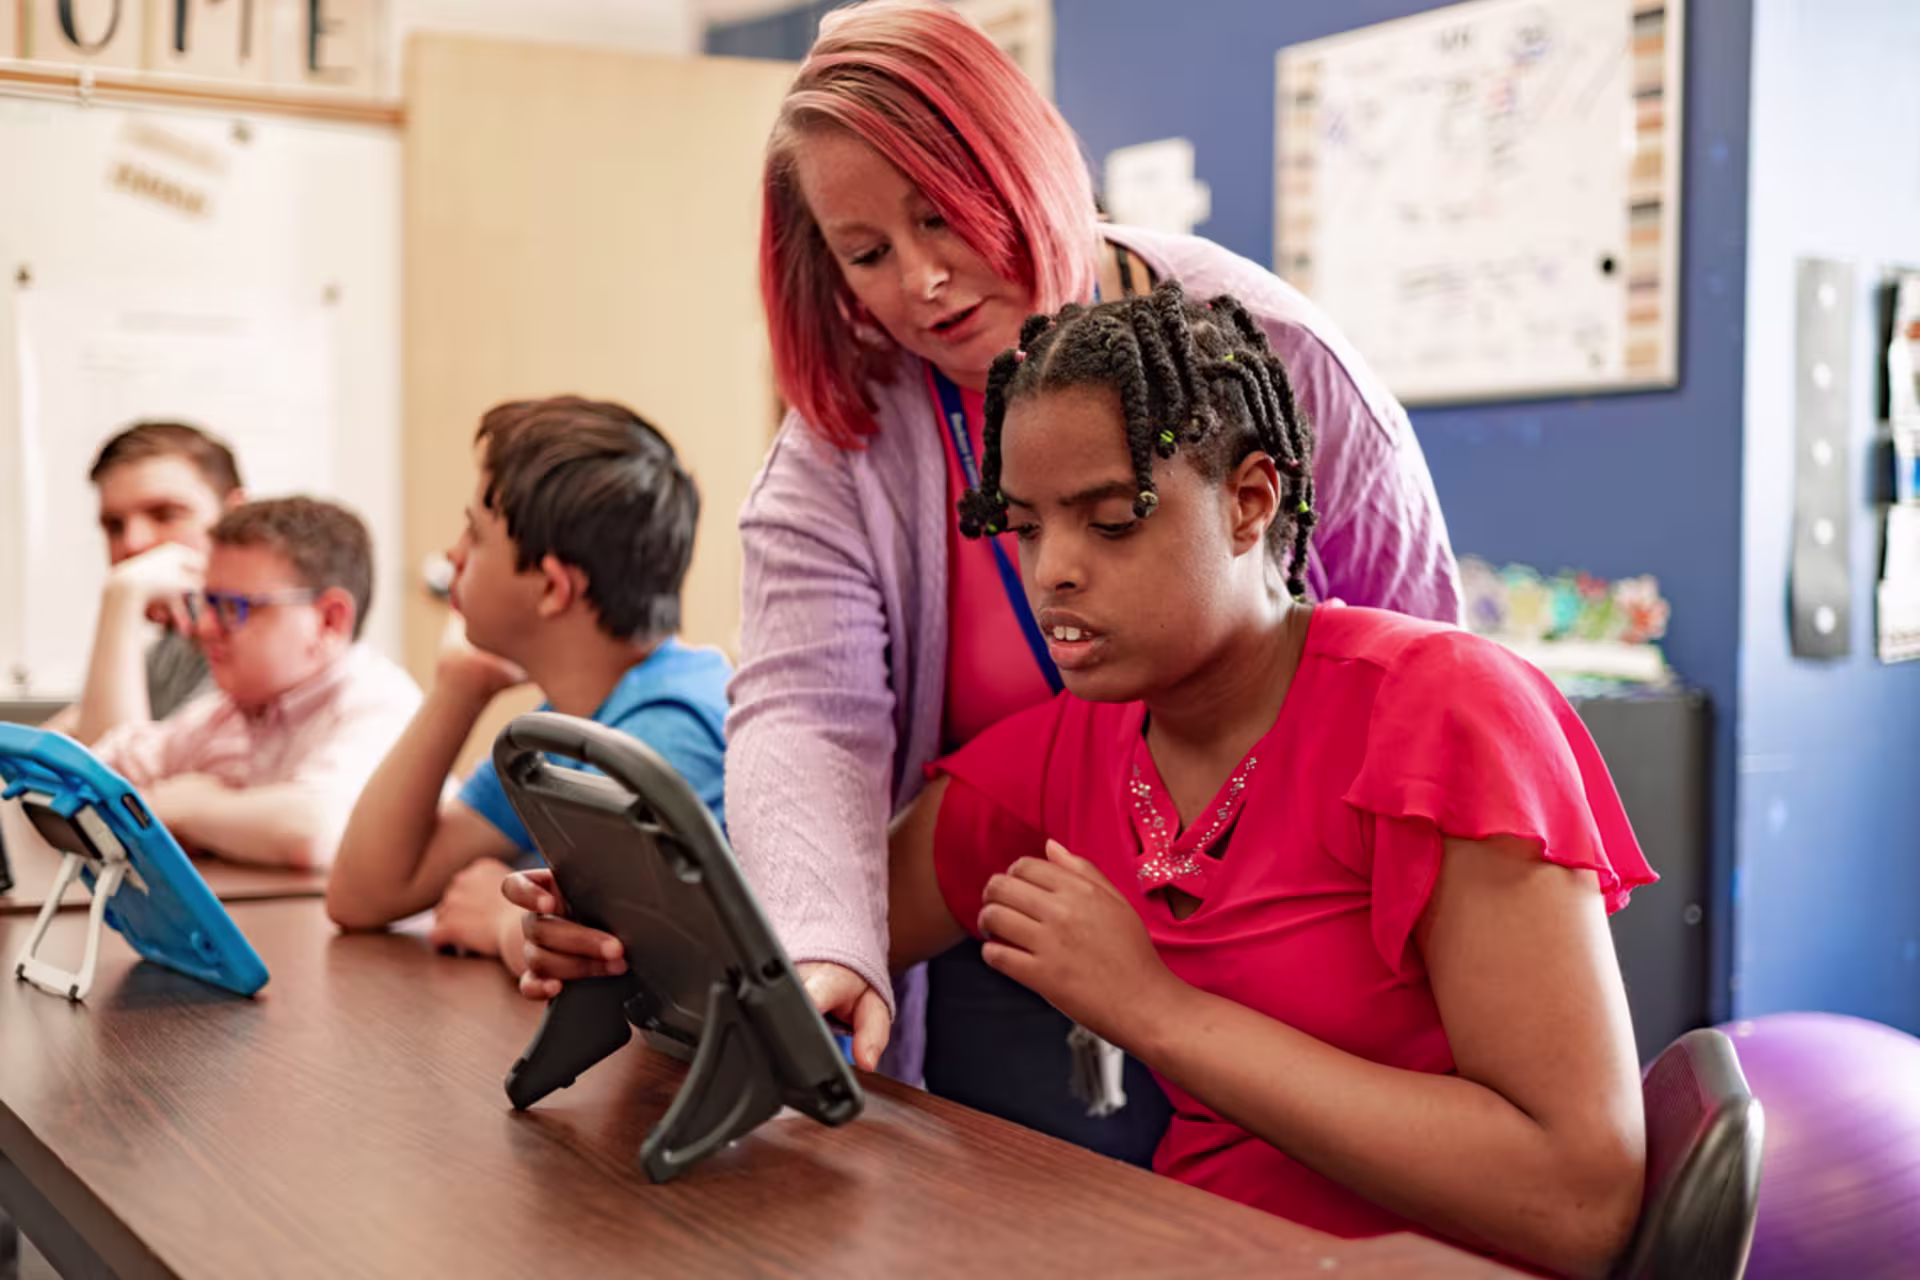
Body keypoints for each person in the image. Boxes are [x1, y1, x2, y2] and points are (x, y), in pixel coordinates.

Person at [511, 287, 1652, 1278]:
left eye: (1111, 520)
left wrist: (1158, 1010)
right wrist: (617, 928)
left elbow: (1578, 1200)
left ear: (1253, 502)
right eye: (1023, 527)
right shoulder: (1068, 752)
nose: (1053, 570)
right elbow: (778, 960)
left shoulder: (1447, 712)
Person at [726, 0, 1462, 1158]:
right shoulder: (854, 429)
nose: (920, 281)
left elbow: (1421, 689)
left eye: (941, 217)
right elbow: (803, 715)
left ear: (1019, 167)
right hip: (1013, 954)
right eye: (866, 253)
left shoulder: (1276, 355)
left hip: (1277, 956)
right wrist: (817, 946)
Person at [327, 397, 730, 977]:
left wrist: (503, 925)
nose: (453, 556)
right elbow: (365, 895)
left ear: (552, 588)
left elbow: (651, 980)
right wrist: (458, 688)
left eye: (475, 535)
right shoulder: (570, 724)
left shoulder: (666, 735)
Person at [88, 496, 421, 868]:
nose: (204, 627)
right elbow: (96, 777)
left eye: (232, 607)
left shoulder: (380, 703)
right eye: (207, 603)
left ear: (329, 620)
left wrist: (191, 809)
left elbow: (315, 831)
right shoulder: (230, 711)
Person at [46, 422, 247, 744]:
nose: (133, 543)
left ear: (234, 516)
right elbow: (41, 750)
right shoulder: (171, 648)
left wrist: (123, 593)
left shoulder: (267, 654)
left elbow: (112, 774)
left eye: (165, 514)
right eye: (114, 526)